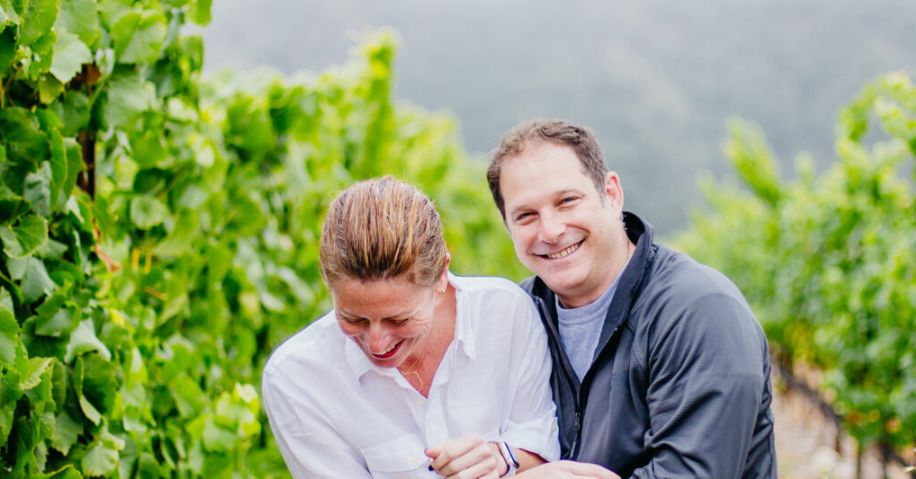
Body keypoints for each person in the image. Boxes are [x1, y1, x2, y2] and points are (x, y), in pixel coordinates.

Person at [485, 119, 777, 478]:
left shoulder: (699, 311)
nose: (551, 231)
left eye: (567, 201)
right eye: (526, 215)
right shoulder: (516, 315)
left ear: (611, 194)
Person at [261, 177, 562, 478]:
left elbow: (543, 450)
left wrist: (502, 459)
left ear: (442, 275)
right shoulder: (296, 378)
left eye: (399, 320)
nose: (377, 344)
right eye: (354, 319)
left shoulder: (505, 313)